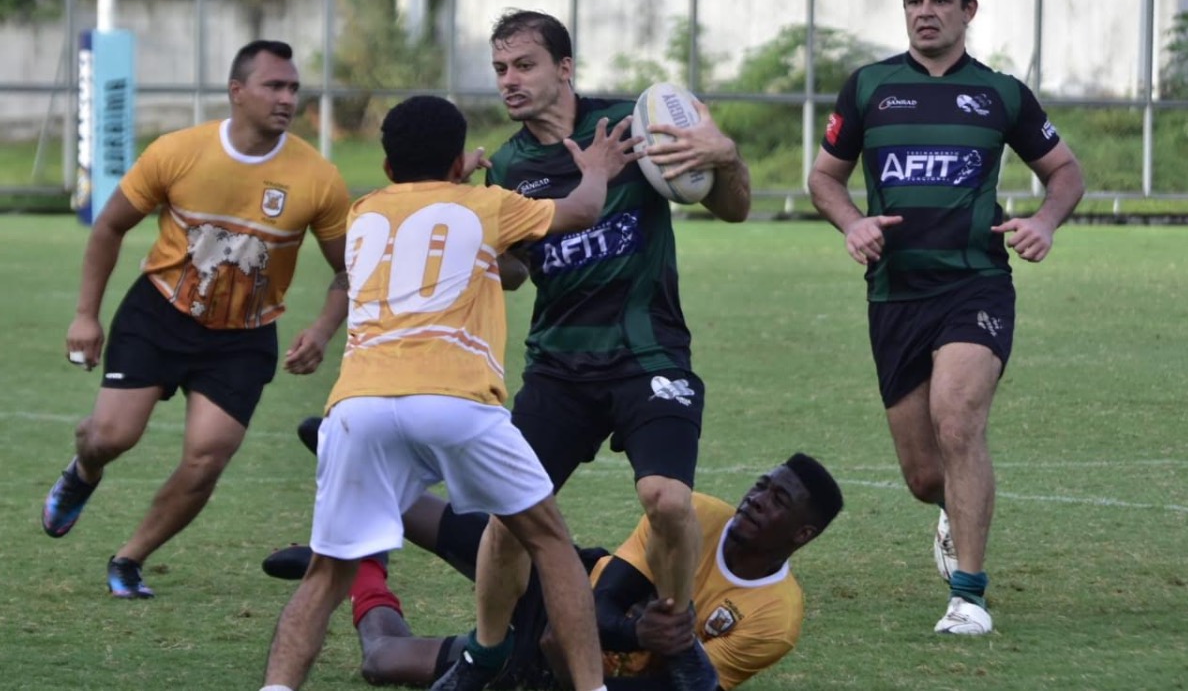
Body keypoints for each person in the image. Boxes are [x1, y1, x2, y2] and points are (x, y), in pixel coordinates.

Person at [259, 95, 636, 691]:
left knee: (328, 573)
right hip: (456, 399)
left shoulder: (363, 212)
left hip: (359, 404)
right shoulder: (487, 205)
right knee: (549, 542)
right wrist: (596, 168)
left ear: (387, 167)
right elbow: (583, 211)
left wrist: (460, 181)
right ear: (460, 161)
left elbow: (471, 252)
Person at [807, 0, 1085, 636]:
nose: (924, 12)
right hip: (896, 292)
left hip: (976, 285)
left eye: (938, 0)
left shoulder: (1000, 94)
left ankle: (969, 595)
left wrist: (1045, 222)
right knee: (924, 473)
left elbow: (1067, 172)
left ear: (968, 9)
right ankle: (949, 512)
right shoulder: (870, 87)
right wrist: (852, 223)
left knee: (958, 421)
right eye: (914, 0)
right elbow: (824, 177)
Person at [481, 8, 753, 691]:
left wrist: (725, 156)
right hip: (560, 365)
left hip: (647, 354)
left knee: (666, 501)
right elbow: (513, 272)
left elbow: (733, 207)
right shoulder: (508, 165)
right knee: (507, 521)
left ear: (564, 69)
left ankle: (677, 630)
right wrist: (477, 227)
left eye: (524, 66)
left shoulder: (635, 125)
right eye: (500, 70)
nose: (509, 81)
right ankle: (488, 652)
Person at [40, 39, 353, 599]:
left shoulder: (319, 178)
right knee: (111, 436)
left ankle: (130, 558)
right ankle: (83, 472)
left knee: (207, 457)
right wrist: (86, 315)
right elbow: (109, 227)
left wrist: (323, 330)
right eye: (273, 86)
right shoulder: (177, 152)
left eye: (292, 88)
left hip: (244, 336)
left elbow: (347, 271)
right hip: (160, 313)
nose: (287, 98)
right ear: (237, 92)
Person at [261, 452, 844, 691]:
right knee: (466, 524)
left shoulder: (776, 618)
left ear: (801, 534)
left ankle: (364, 564)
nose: (755, 498)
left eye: (776, 501)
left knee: (380, 662)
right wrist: (639, 633)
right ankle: (347, 500)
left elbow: (679, 690)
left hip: (557, 668)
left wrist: (571, 673)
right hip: (562, 585)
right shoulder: (692, 514)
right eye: (761, 485)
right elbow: (600, 601)